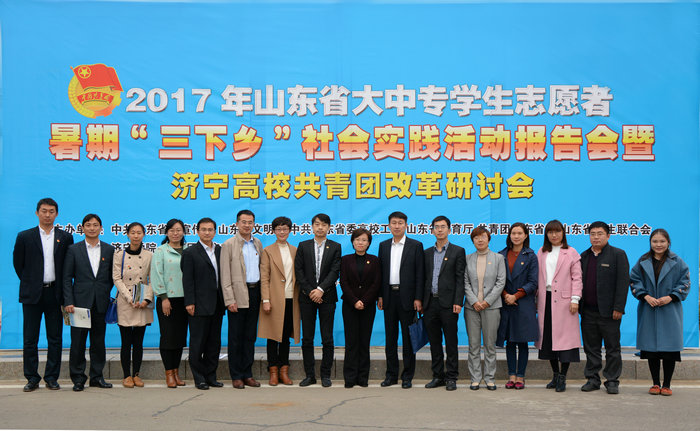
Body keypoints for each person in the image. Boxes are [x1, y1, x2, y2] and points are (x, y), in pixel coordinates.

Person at [13, 197, 74, 392]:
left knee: (55, 338)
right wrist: (32, 282)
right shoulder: (25, 236)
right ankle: (32, 378)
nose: (47, 215)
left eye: (51, 211)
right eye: (44, 211)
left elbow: (67, 268)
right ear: (37, 213)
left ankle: (51, 377)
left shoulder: (65, 237)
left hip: (55, 293)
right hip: (32, 294)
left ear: (57, 214)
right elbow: (18, 265)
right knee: (30, 339)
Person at [630, 229, 690, 396]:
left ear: (668, 242)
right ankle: (655, 383)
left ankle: (667, 384)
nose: (658, 244)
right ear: (650, 242)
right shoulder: (643, 261)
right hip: (649, 308)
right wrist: (645, 296)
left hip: (670, 309)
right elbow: (634, 280)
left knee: (670, 351)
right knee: (651, 351)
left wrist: (671, 297)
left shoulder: (678, 262)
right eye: (655, 241)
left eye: (662, 241)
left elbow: (685, 282)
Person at [63, 213, 115, 392]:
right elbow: (66, 277)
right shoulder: (73, 249)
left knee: (98, 342)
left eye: (95, 225)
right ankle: (78, 379)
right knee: (78, 342)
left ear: (101, 228)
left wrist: (105, 294)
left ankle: (97, 377)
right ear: (82, 228)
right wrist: (68, 301)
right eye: (88, 225)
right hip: (78, 304)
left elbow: (111, 278)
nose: (92, 228)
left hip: (100, 302)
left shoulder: (109, 250)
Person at [579, 221, 630, 394]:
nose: (596, 237)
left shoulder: (618, 255)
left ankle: (612, 380)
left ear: (608, 236)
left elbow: (623, 283)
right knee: (591, 348)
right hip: (588, 311)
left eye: (600, 234)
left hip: (610, 313)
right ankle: (592, 379)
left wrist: (619, 307)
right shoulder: (584, 256)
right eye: (592, 234)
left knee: (612, 348)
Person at [378, 211, 425, 389]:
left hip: (408, 299)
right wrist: (380, 295)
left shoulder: (415, 245)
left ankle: (407, 376)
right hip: (389, 297)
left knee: (408, 339)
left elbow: (420, 274)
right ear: (389, 225)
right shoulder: (383, 245)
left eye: (400, 223)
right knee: (390, 339)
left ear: (406, 225)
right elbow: (381, 273)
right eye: (394, 223)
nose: (397, 226)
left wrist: (418, 298)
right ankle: (391, 375)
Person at [294, 213, 341, 387]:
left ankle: (326, 375)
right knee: (307, 338)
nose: (320, 227)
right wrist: (311, 292)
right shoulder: (303, 245)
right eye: (317, 224)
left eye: (324, 224)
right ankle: (310, 375)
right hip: (307, 298)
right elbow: (299, 271)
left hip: (327, 298)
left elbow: (335, 271)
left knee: (327, 338)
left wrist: (320, 290)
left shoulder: (335, 247)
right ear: (312, 227)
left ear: (329, 227)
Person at [535, 219, 583, 392]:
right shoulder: (542, 251)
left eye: (557, 231)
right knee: (548, 340)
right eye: (550, 232)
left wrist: (575, 299)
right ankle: (555, 374)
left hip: (565, 302)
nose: (554, 235)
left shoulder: (571, 252)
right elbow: (537, 277)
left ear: (563, 233)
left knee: (565, 341)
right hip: (545, 299)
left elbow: (577, 277)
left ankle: (563, 376)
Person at [422, 216, 465, 391]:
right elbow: (422, 279)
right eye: (436, 227)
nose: (439, 230)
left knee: (451, 341)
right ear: (432, 230)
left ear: (449, 229)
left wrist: (458, 301)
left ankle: (451, 377)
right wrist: (421, 301)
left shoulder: (458, 251)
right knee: (434, 342)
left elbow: (460, 279)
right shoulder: (426, 253)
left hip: (449, 304)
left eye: (443, 226)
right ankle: (437, 376)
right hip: (430, 303)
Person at [221, 210, 263, 389]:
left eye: (250, 222)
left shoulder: (257, 243)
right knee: (236, 337)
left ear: (254, 224)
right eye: (244, 222)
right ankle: (236, 375)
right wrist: (229, 299)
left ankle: (248, 374)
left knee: (250, 336)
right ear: (237, 224)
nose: (247, 225)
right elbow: (225, 275)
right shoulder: (228, 244)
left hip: (255, 293)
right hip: (237, 295)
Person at [181, 217, 224, 390]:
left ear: (215, 231)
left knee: (214, 343)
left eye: (210, 229)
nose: (207, 232)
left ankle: (211, 376)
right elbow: (187, 280)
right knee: (198, 343)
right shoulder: (190, 252)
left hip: (217, 304)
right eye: (203, 229)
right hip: (198, 305)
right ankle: (199, 378)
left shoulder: (220, 250)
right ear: (197, 231)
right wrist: (189, 302)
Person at [259, 216, 301, 386]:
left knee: (285, 337)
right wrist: (266, 299)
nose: (282, 232)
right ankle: (273, 371)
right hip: (274, 299)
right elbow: (264, 277)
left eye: (285, 229)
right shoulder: (268, 251)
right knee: (272, 336)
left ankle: (284, 370)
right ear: (274, 231)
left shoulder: (295, 250)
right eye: (278, 229)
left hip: (291, 299)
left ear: (290, 231)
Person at [497, 222, 538, 390]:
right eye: (513, 233)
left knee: (522, 342)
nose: (516, 236)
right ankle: (511, 376)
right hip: (505, 303)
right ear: (509, 235)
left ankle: (520, 376)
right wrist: (506, 295)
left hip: (523, 303)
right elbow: (497, 279)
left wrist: (516, 295)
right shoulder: (501, 255)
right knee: (510, 341)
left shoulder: (531, 256)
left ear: (525, 235)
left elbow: (533, 282)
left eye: (520, 233)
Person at [464, 226, 506, 391]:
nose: (480, 240)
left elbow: (501, 282)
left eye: (483, 236)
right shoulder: (467, 258)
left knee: (489, 345)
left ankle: (490, 378)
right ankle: (475, 378)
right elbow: (465, 282)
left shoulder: (498, 258)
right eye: (476, 237)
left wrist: (487, 301)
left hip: (492, 307)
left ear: (488, 239)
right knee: (473, 345)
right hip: (471, 308)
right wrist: (474, 301)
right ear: (473, 241)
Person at [113, 222, 154, 388]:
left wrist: (147, 299)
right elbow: (116, 278)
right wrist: (129, 297)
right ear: (127, 234)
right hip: (125, 301)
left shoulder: (149, 255)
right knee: (125, 341)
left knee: (138, 342)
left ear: (144, 234)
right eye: (133, 232)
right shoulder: (119, 255)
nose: (136, 236)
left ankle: (136, 374)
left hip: (142, 302)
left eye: (139, 232)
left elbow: (152, 279)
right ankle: (126, 375)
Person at [340, 228, 381, 388]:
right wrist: (354, 301)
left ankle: (363, 377)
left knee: (364, 341)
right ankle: (349, 378)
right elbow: (344, 283)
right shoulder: (345, 260)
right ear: (352, 242)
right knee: (351, 342)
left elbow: (376, 283)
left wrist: (364, 301)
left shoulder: (375, 260)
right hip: (349, 305)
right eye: (357, 239)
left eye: (364, 240)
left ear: (369, 243)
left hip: (368, 306)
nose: (360, 242)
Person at [150, 218, 188, 388]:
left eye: (178, 230)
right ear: (166, 232)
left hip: (185, 301)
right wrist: (163, 297)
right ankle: (169, 373)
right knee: (168, 337)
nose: (175, 233)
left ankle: (176, 372)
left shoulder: (188, 250)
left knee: (179, 338)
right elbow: (156, 275)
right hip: (167, 300)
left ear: (183, 232)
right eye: (172, 230)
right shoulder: (161, 251)